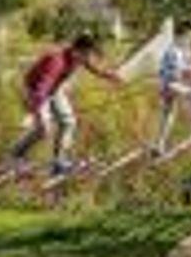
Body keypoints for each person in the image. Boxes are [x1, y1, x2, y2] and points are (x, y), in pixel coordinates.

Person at [8, 32, 120, 174]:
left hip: (54, 89)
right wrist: (35, 111)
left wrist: (108, 75)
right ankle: (16, 155)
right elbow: (43, 86)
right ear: (78, 50)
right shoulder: (57, 61)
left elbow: (92, 67)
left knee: (69, 122)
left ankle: (59, 161)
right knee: (43, 129)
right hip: (35, 90)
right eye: (87, 54)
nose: (88, 58)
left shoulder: (79, 57)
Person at [153, 27, 191, 155]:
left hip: (172, 84)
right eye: (188, 37)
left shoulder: (184, 51)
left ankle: (159, 146)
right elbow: (182, 70)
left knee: (168, 115)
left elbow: (189, 70)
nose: (190, 40)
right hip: (169, 84)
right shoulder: (173, 50)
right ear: (180, 36)